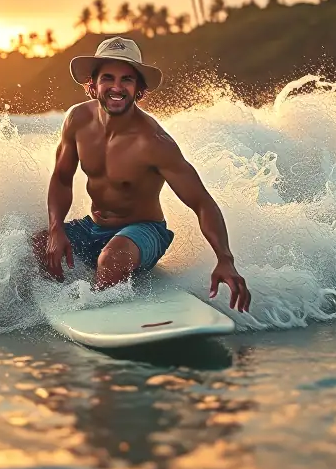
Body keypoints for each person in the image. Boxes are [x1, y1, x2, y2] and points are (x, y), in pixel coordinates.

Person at [31, 35, 251, 313]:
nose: (116, 87)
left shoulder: (154, 141)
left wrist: (225, 259)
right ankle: (64, 303)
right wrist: (56, 228)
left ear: (139, 90)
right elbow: (62, 178)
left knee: (111, 259)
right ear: (92, 85)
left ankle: (105, 307)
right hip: (93, 228)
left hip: (144, 231)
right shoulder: (77, 120)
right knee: (38, 244)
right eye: (108, 78)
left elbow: (202, 202)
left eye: (127, 80)